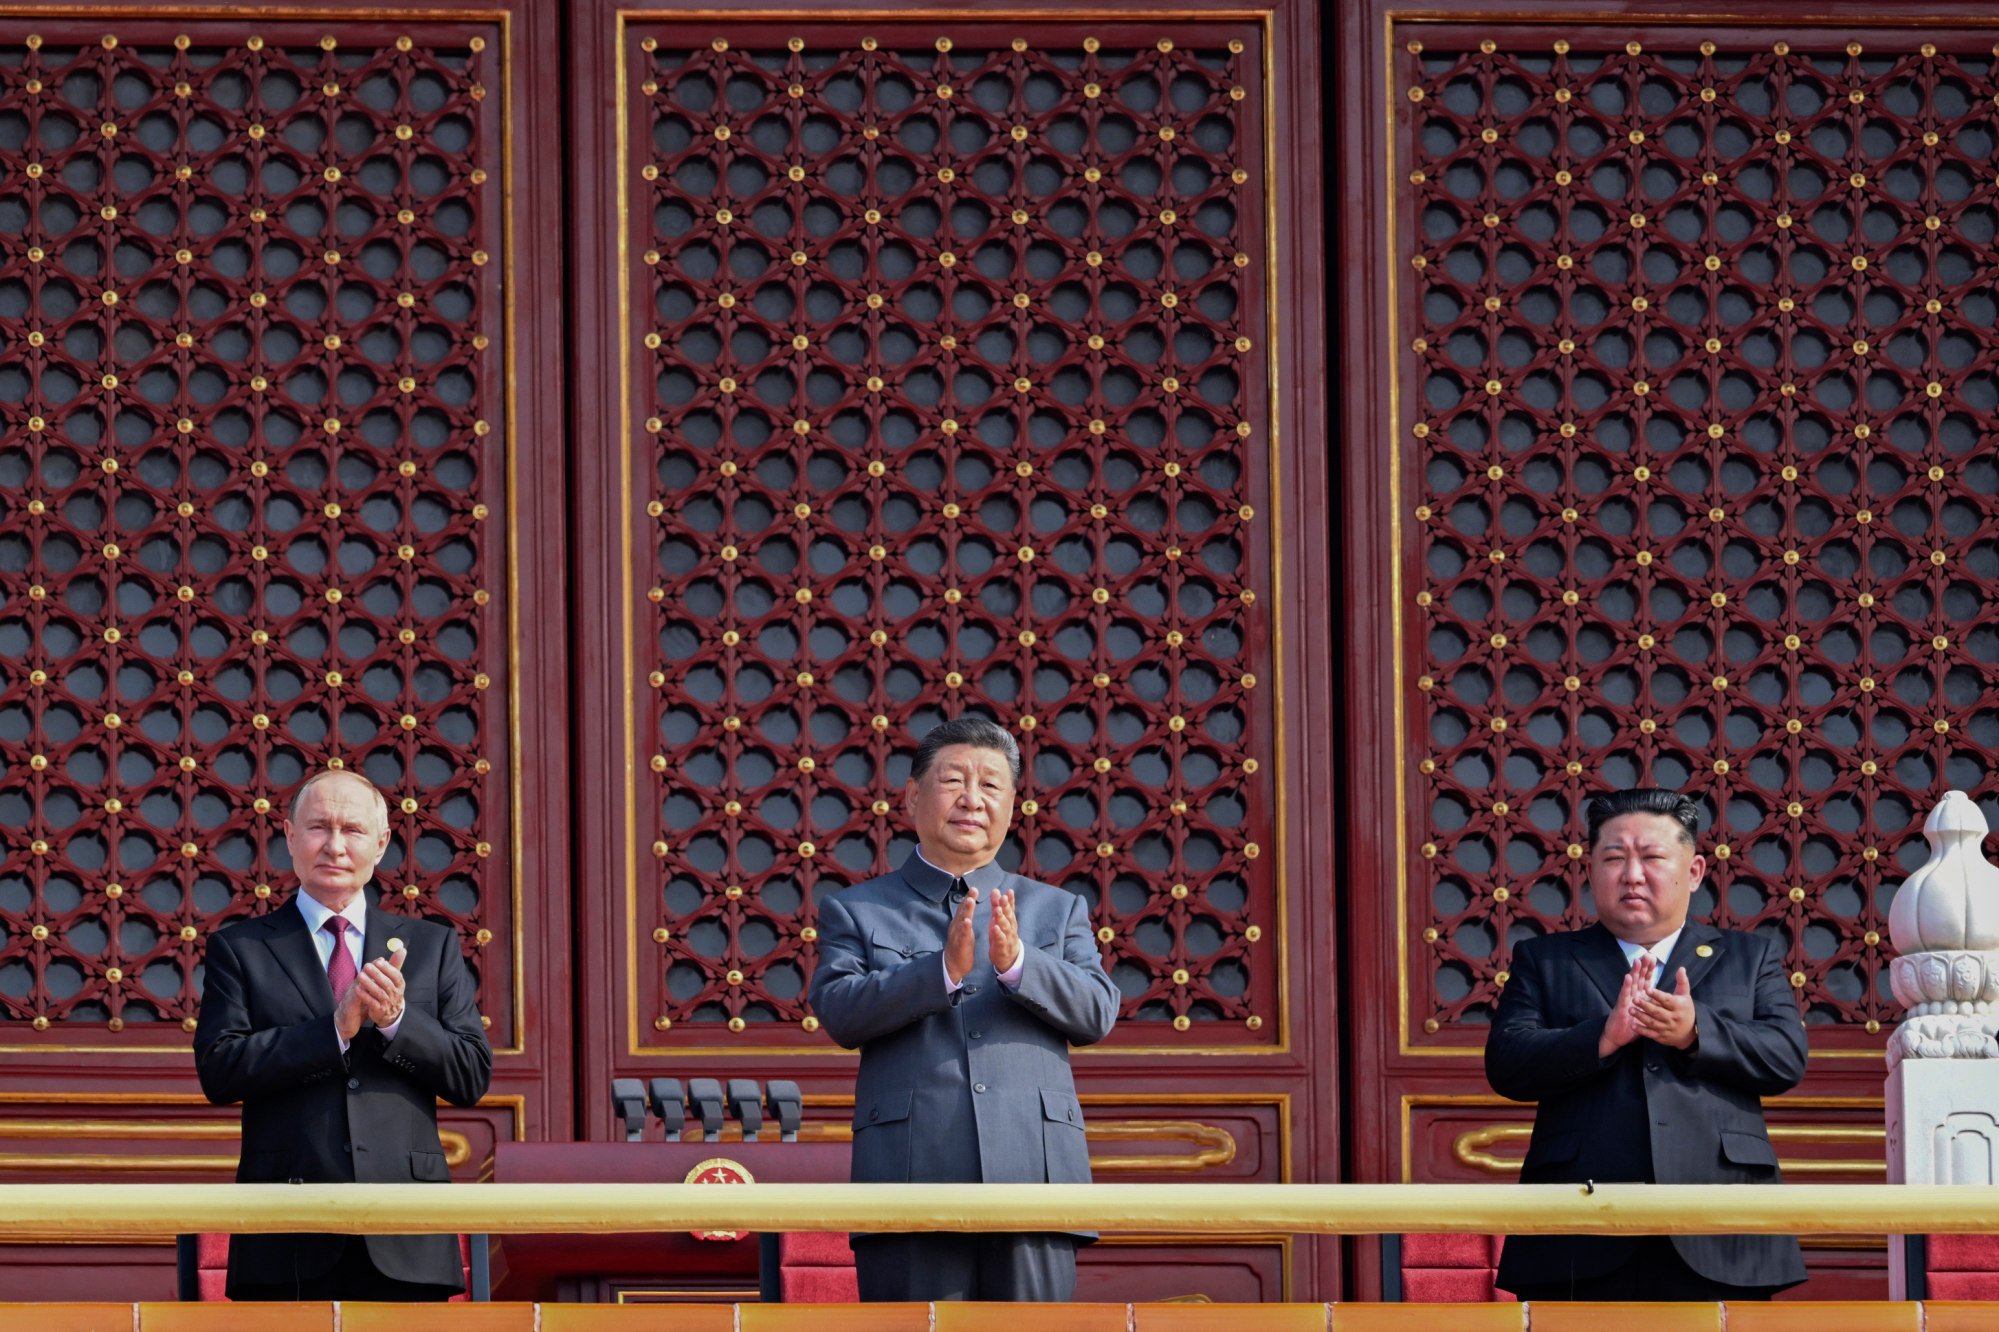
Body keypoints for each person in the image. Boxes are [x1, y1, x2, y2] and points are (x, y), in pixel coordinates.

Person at [808, 716, 1120, 1301]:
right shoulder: (856, 909)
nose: (972, 800)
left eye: (991, 785)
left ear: (1012, 804)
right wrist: (940, 972)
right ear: (911, 796)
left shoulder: (1057, 909)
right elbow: (840, 1011)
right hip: (909, 1176)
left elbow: (1098, 1011)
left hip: (1036, 1176)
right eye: (954, 781)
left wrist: (1020, 963)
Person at [1485, 786, 1808, 1300]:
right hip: (1580, 1224)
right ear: (1591, 870)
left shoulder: (1750, 957)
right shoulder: (1544, 959)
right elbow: (1508, 1062)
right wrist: (1603, 1037)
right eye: (1614, 858)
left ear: (1696, 871)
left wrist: (1696, 1031)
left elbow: (1785, 1056)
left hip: (1721, 1220)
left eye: (1652, 857)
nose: (1632, 875)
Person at [194, 768, 492, 1300]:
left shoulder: (431, 945)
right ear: (288, 838)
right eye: (318, 828)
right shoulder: (241, 948)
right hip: (287, 1227)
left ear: (380, 845)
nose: (334, 845)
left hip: (406, 1230)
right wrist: (333, 1030)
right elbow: (220, 1069)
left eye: (352, 830)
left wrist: (397, 1020)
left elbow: (471, 1075)